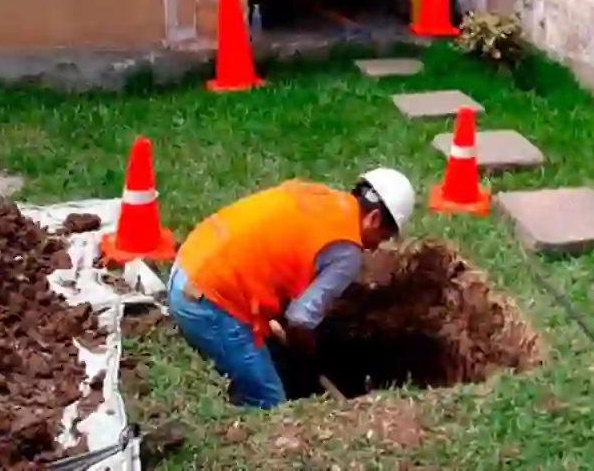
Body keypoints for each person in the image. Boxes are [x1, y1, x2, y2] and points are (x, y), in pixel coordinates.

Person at [167, 167, 415, 408]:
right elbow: (300, 321)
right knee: (269, 401)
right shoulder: (347, 253)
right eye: (382, 238)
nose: (374, 249)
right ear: (373, 219)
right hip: (206, 303)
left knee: (272, 357)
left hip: (188, 264)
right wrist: (308, 355)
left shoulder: (318, 195)